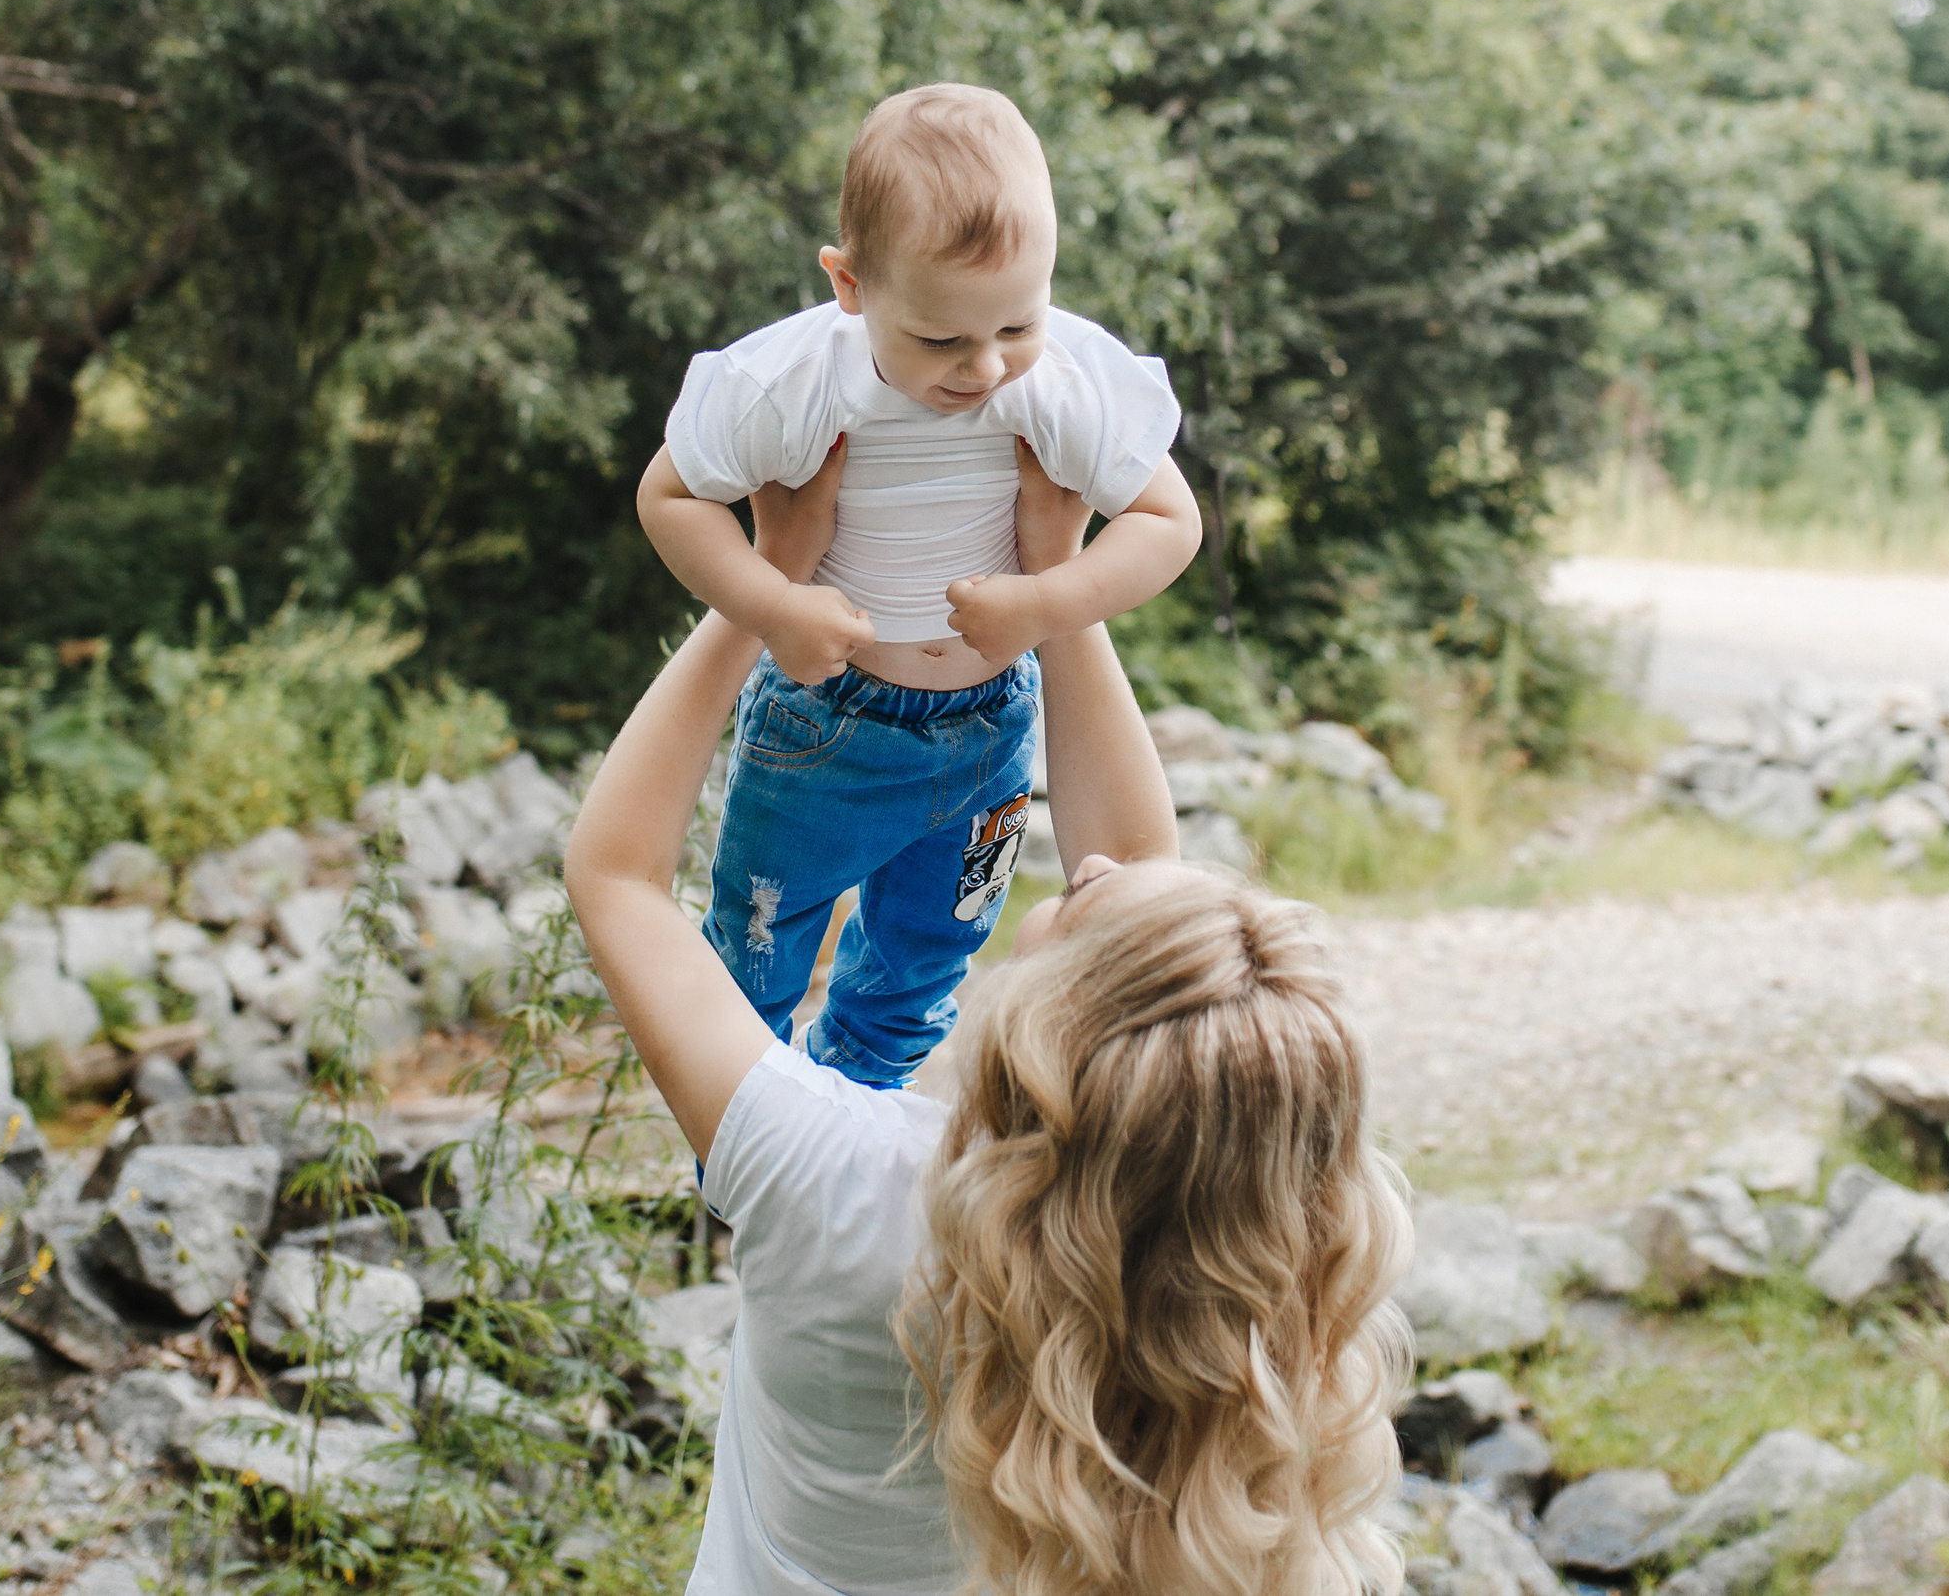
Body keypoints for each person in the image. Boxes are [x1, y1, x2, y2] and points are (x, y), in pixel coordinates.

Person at [565, 467, 1414, 1596]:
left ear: (1057, 1035)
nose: (1099, 858)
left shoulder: (832, 1188)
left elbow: (616, 873)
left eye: (1087, 898)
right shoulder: (1253, 1319)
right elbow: (1158, 966)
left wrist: (761, 590)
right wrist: (1054, 587)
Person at [636, 82, 1202, 1089]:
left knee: (925, 963)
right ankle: (743, 1164)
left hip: (989, 741)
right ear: (849, 285)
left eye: (1015, 326)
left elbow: (1169, 524)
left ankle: (862, 1109)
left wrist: (1044, 602)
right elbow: (669, 498)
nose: (984, 369)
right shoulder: (792, 382)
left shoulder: (1061, 377)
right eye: (941, 340)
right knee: (758, 951)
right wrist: (775, 606)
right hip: (822, 725)